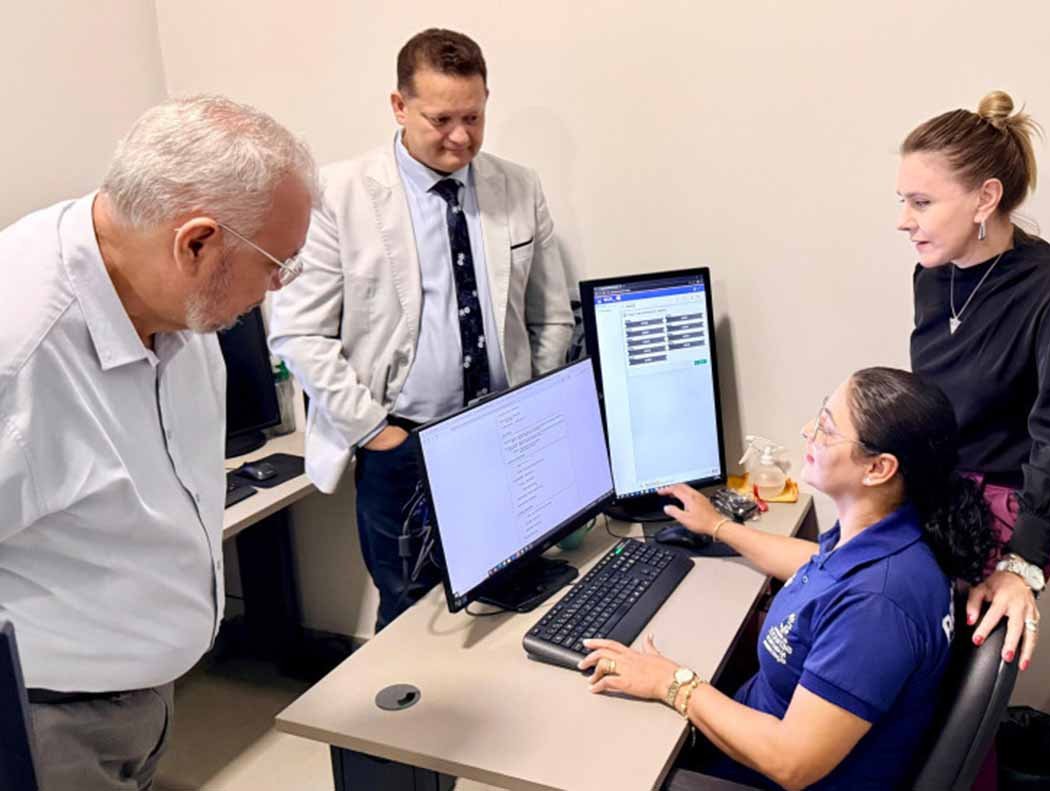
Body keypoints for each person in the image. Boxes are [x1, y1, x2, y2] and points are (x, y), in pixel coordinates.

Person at [0, 95, 316, 790]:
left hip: (143, 692)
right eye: (276, 264)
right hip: (49, 721)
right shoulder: (20, 352)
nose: (276, 287)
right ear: (196, 243)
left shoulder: (168, 293)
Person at [268, 28, 574, 630]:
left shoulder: (519, 187)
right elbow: (299, 333)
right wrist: (377, 433)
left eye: (473, 117)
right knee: (411, 616)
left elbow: (551, 314)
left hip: (501, 437)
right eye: (441, 119)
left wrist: (532, 411)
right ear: (399, 106)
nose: (461, 137)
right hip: (402, 444)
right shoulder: (337, 194)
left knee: (507, 601)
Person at [577, 368, 996, 790]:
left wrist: (671, 683)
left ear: (878, 468)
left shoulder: (877, 605)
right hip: (748, 739)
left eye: (827, 429)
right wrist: (719, 526)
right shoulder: (894, 539)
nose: (807, 430)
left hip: (765, 773)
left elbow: (790, 763)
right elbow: (816, 565)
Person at [897, 91, 1050, 674]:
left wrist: (1022, 564)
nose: (904, 220)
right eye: (903, 201)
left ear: (985, 198)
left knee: (937, 674)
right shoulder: (931, 277)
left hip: (1008, 515)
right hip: (936, 495)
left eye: (921, 202)